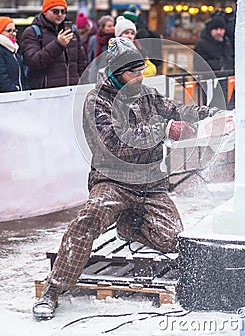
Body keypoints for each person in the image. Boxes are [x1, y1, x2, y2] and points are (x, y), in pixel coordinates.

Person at [32, 37, 230, 320]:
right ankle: (54, 289)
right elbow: (117, 144)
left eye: (141, 70)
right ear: (115, 72)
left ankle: (128, 224)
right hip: (113, 181)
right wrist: (165, 130)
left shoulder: (147, 94)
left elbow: (179, 111)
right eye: (133, 72)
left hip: (151, 184)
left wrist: (214, 116)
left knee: (172, 239)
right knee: (88, 219)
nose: (140, 76)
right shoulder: (97, 101)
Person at [20, 0, 87, 89]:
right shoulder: (32, 32)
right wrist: (58, 44)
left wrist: (82, 85)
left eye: (63, 11)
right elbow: (33, 62)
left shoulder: (72, 31)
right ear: (45, 11)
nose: (60, 14)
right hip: (46, 95)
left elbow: (82, 63)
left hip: (72, 92)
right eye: (55, 11)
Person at [123, 5, 163, 74]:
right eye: (127, 33)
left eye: (131, 33)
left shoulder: (139, 36)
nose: (129, 35)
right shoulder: (143, 28)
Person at [0, 17, 28, 92]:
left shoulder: (14, 50)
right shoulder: (2, 50)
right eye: (9, 31)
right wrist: (15, 91)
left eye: (14, 31)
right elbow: (2, 78)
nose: (14, 34)